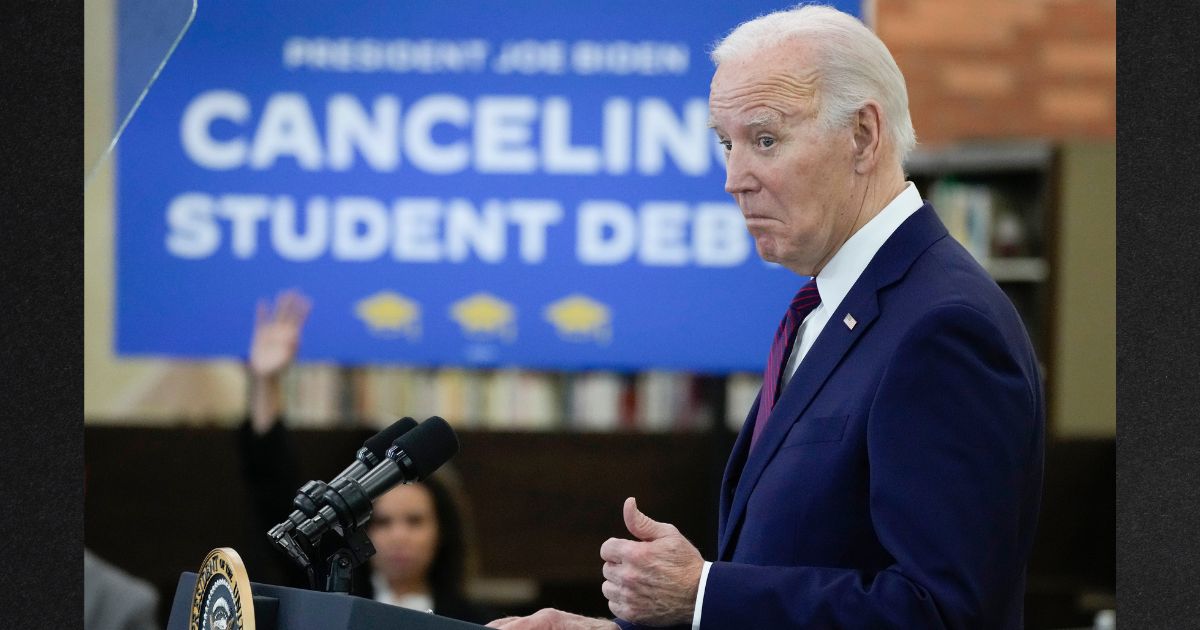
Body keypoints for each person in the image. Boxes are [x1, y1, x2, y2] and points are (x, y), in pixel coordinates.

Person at [487, 5, 1044, 630]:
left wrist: (702, 596)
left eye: (765, 139)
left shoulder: (943, 327)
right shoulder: (829, 307)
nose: (733, 179)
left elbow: (940, 614)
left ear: (863, 135)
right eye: (727, 143)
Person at [239, 290, 493, 624]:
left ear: (442, 531)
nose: (399, 537)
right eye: (383, 522)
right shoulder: (332, 602)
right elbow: (273, 486)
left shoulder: (473, 621)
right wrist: (266, 381)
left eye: (415, 521)